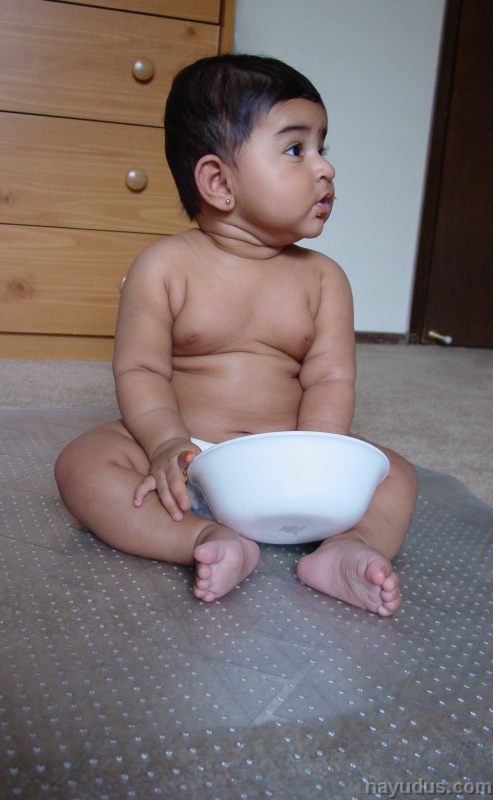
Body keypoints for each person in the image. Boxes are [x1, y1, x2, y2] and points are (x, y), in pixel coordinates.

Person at [55, 54, 417, 616]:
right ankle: (201, 537)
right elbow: (141, 370)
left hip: (289, 460)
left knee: (395, 475)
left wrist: (318, 460)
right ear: (219, 182)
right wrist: (166, 443)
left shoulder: (324, 279)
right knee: (82, 464)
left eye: (323, 147)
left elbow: (330, 379)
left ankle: (348, 547)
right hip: (192, 462)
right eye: (296, 149)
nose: (325, 168)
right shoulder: (164, 268)